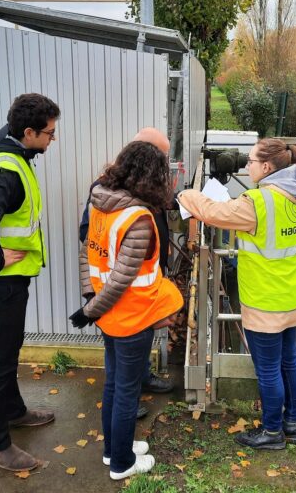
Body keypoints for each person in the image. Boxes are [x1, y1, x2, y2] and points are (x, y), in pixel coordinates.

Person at [178, 138, 296, 450]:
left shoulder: (258, 202)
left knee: (268, 369)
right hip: (291, 294)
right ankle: (294, 423)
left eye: (251, 161)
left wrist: (187, 194)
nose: (246, 164)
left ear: (267, 167)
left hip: (264, 299)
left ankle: (271, 432)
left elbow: (214, 212)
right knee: (289, 360)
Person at [70, 141, 184, 479]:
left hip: (109, 315)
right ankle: (122, 463)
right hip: (132, 316)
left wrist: (90, 300)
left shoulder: (101, 204)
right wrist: (90, 310)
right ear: (153, 176)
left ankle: (113, 450)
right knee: (126, 392)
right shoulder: (138, 218)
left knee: (114, 384)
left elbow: (86, 254)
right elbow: (121, 279)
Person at [0, 93, 60, 472]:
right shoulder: (6, 171)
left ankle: (15, 411)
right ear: (28, 132)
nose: (53, 140)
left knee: (8, 349)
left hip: (7, 281)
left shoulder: (14, 153)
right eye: (49, 134)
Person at [78, 127, 175, 410]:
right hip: (119, 291)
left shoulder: (140, 185)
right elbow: (89, 237)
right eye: (162, 157)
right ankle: (128, 405)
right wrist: (91, 301)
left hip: (138, 283)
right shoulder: (107, 189)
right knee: (121, 370)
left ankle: (139, 381)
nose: (165, 164)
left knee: (129, 359)